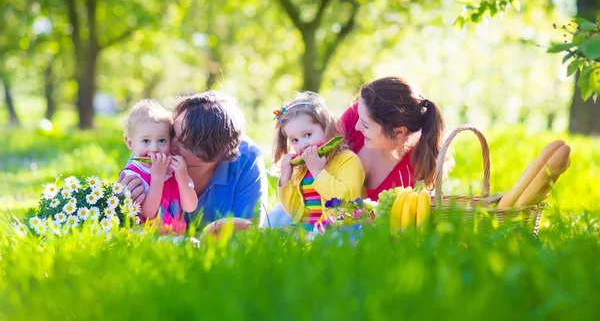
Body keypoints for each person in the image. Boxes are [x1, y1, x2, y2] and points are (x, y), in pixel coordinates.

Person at [267, 76, 447, 226]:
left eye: (366, 124)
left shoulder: (415, 168)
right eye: (358, 116)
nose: (357, 126)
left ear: (399, 132)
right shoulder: (355, 117)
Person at [119, 91, 269, 227]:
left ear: (216, 151)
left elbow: (249, 230)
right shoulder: (154, 149)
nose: (172, 146)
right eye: (172, 133)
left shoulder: (247, 159)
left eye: (185, 142)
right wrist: (124, 202)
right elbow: (129, 219)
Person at [272, 92, 364, 231]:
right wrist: (285, 177)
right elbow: (294, 211)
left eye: (307, 135)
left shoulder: (347, 159)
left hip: (336, 228)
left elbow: (345, 200)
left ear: (326, 128)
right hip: (307, 230)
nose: (303, 144)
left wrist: (317, 171)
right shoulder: (302, 169)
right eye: (295, 140)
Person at [121, 99, 197, 234]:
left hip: (176, 235)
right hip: (149, 237)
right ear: (130, 143)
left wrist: (183, 178)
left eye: (162, 140)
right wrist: (157, 178)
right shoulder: (132, 174)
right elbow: (148, 212)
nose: (154, 148)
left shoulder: (174, 169)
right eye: (146, 141)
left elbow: (190, 207)